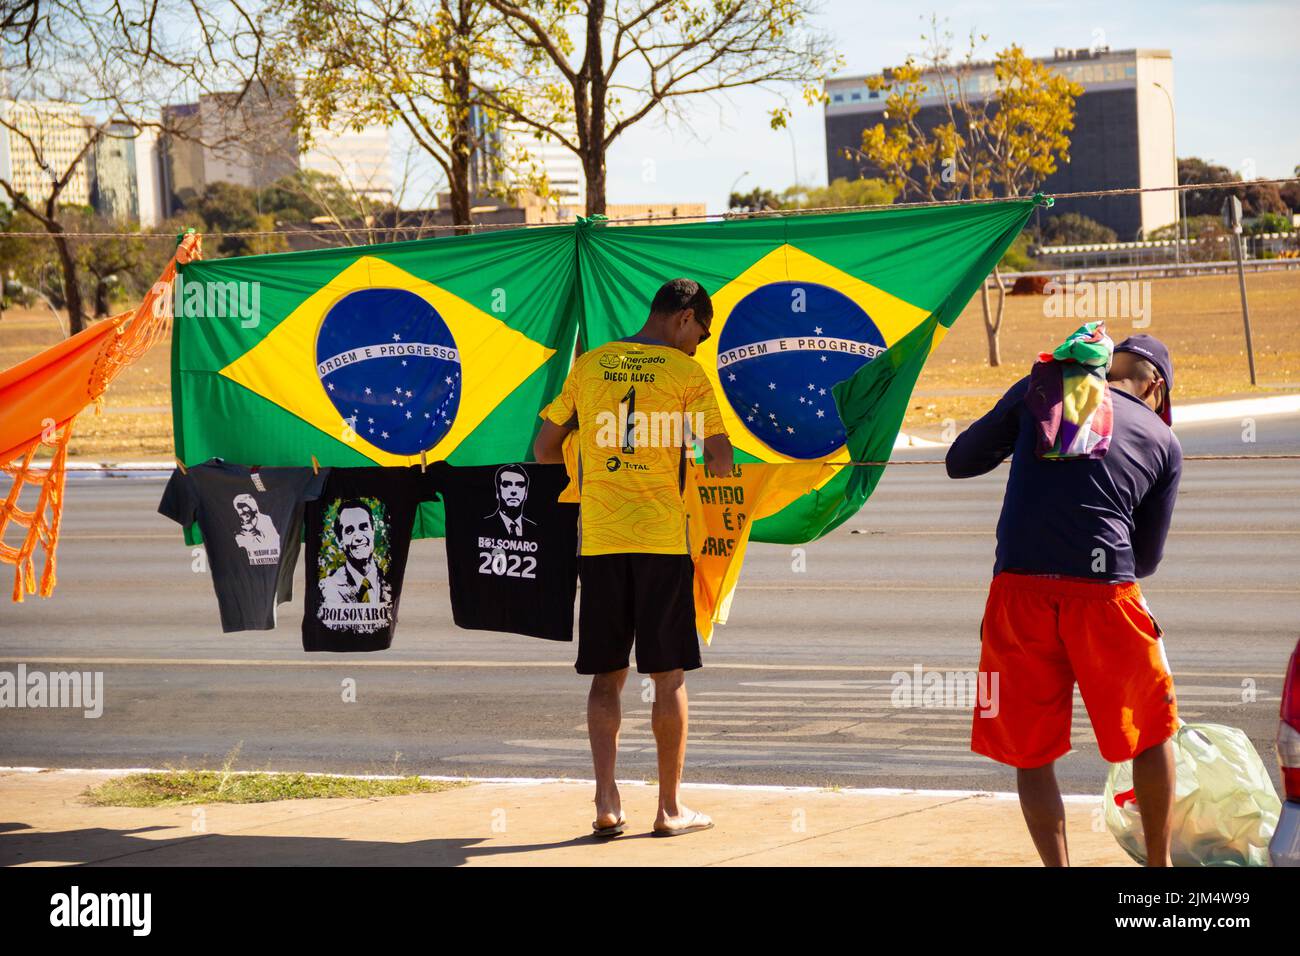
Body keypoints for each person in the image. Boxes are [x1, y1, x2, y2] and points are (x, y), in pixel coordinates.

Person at [945, 333, 1182, 866]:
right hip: (1105, 595)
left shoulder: (1042, 390)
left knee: (1032, 750)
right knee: (1149, 732)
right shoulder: (1163, 440)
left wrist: (1026, 399)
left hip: (1018, 592)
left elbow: (960, 460)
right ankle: (1161, 869)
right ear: (1158, 389)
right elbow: (1146, 560)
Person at [534, 277, 734, 838]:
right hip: (661, 544)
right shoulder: (686, 373)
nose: (700, 344)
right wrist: (687, 444)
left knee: (605, 678)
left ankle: (606, 801)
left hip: (599, 544)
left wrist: (588, 462)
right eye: (702, 332)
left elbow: (544, 448)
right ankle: (670, 810)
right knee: (668, 678)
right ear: (684, 318)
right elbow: (718, 459)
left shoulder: (591, 364)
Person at [321, 499, 389, 605]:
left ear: (373, 531)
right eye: (349, 530)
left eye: (364, 527)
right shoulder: (329, 587)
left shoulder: (388, 580)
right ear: (340, 541)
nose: (359, 537)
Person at [485, 465, 534, 538]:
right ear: (497, 492)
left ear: (526, 493)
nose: (513, 491)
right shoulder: (485, 525)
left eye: (520, 485)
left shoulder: (535, 529)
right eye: (507, 484)